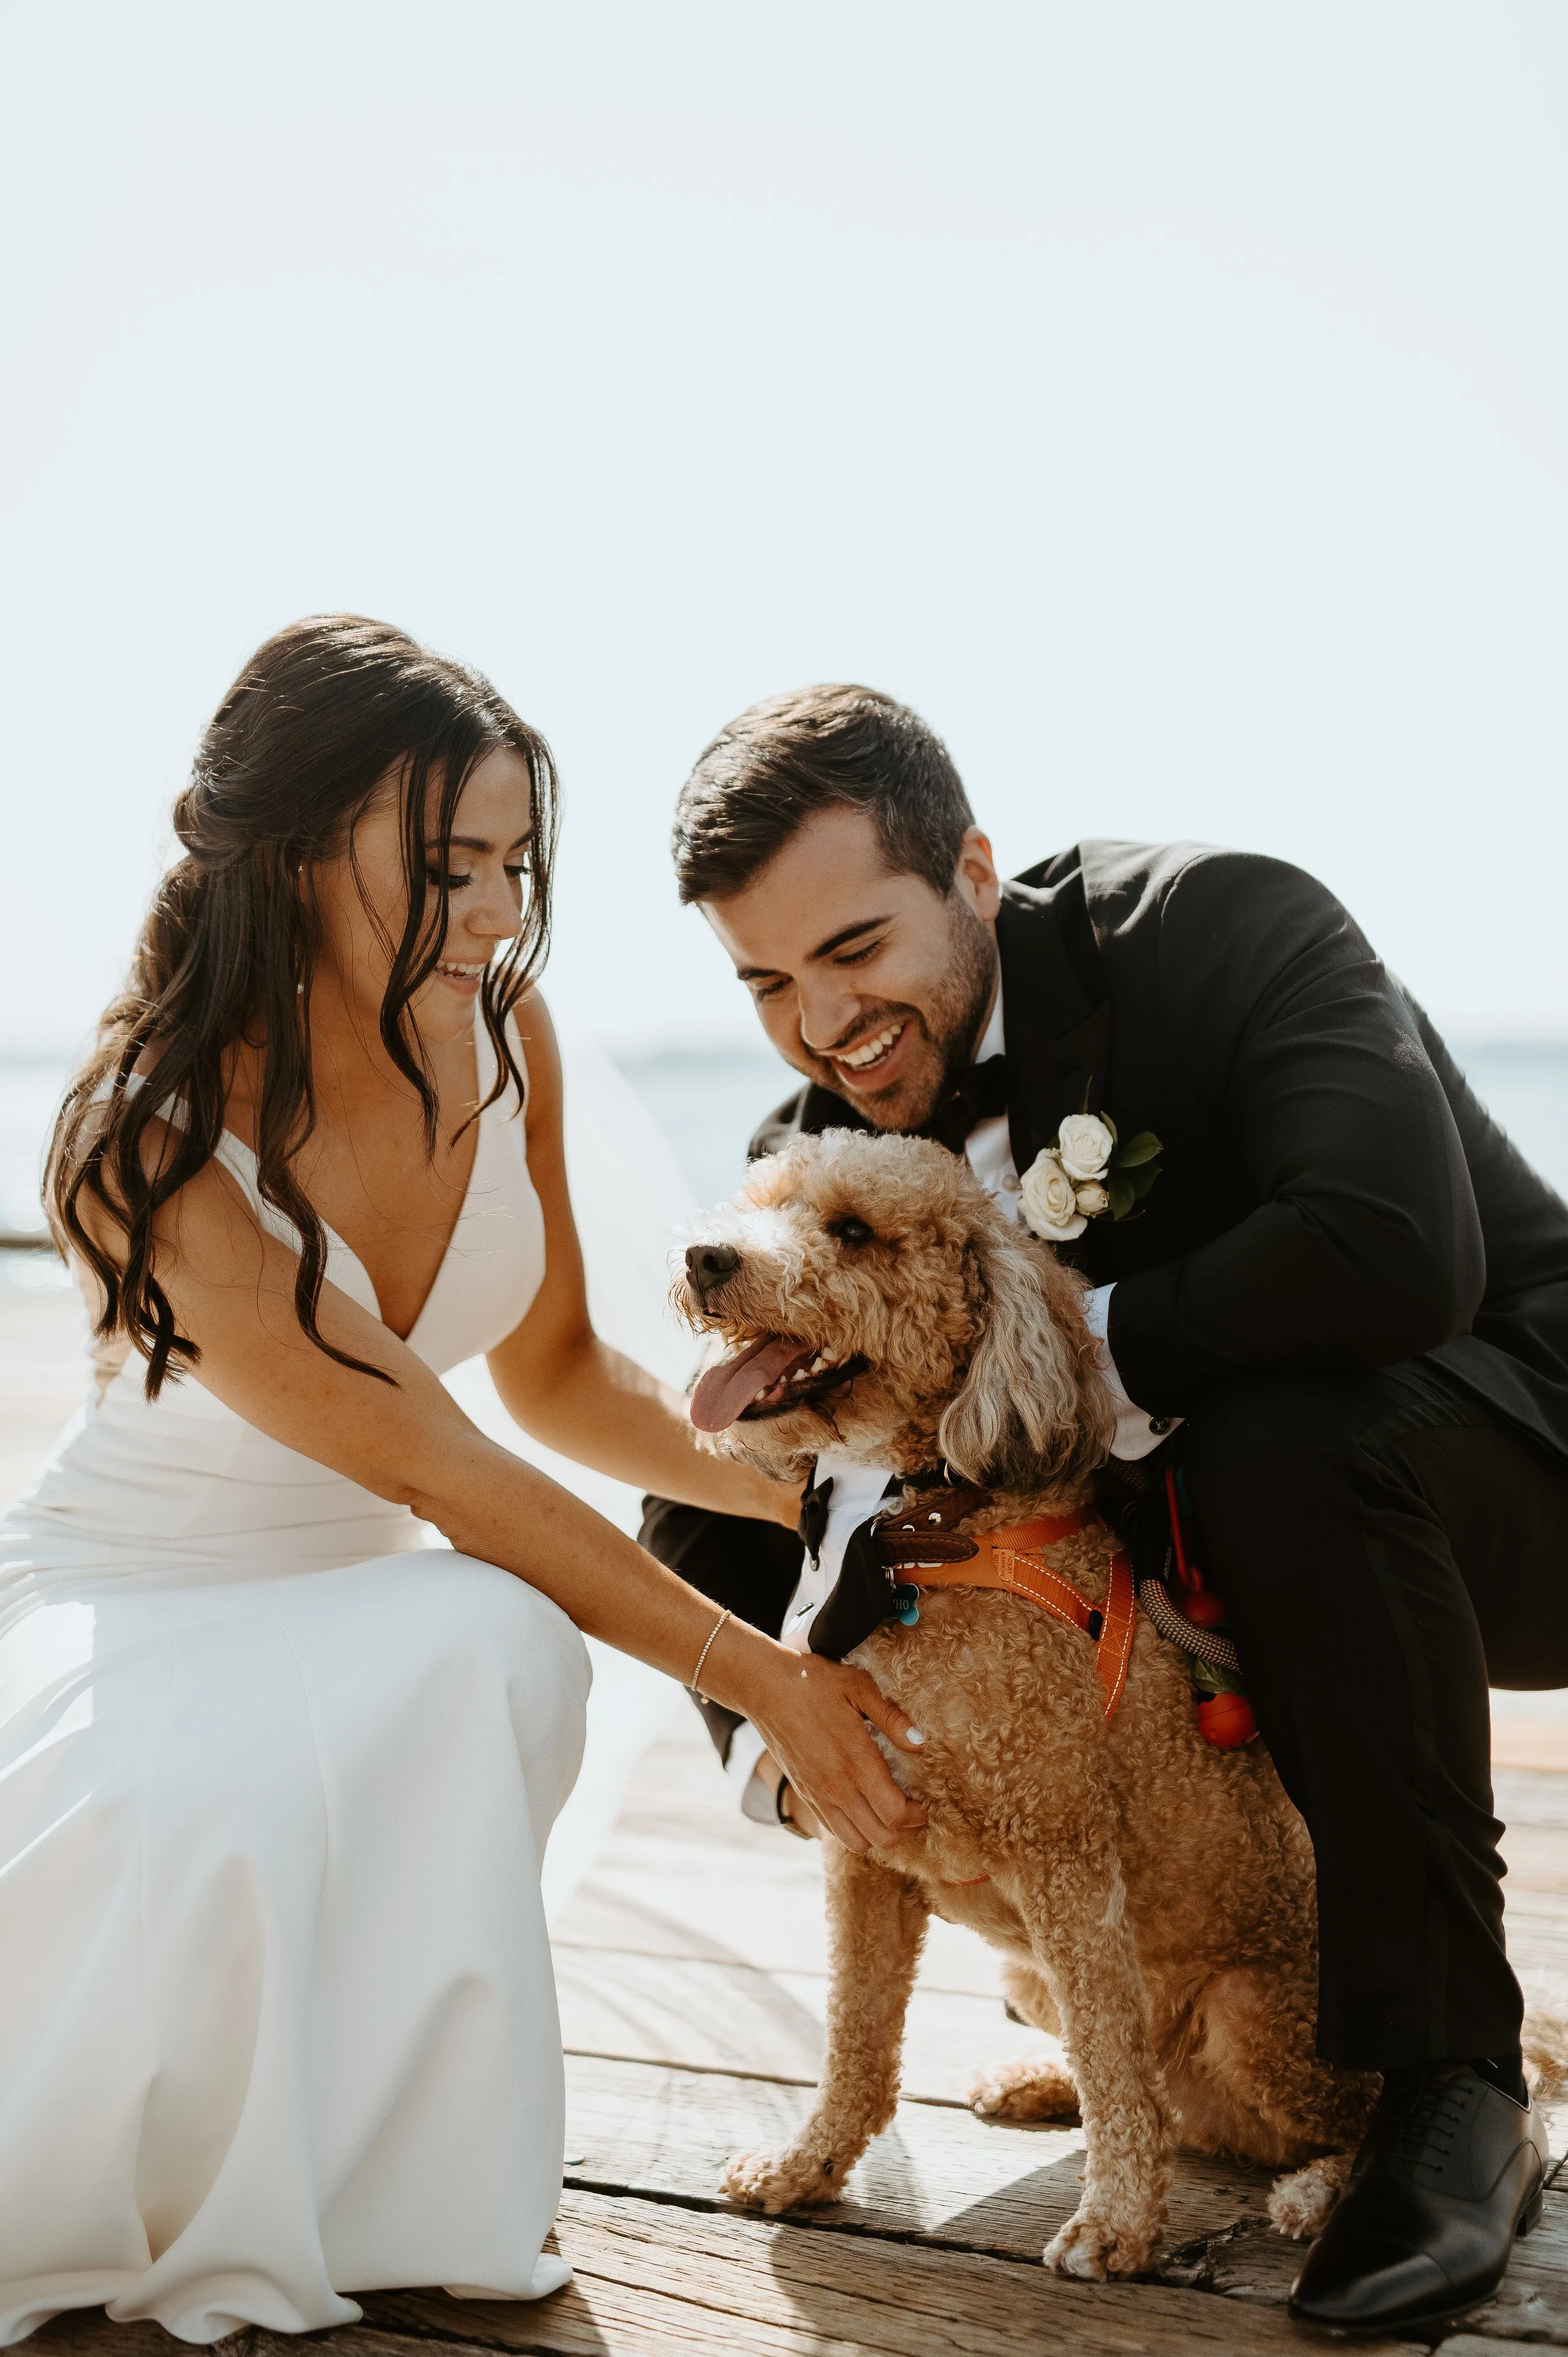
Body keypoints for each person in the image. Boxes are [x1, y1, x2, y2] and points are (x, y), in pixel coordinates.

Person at [0, 622, 926, 2346]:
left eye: (512, 864)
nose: (499, 912)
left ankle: (401, 2196)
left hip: (361, 1579)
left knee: (486, 1639)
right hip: (138, 1591)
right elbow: (444, 1459)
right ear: (288, 852)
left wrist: (823, 1502)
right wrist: (768, 1680)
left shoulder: (504, 1032)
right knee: (477, 1616)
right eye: (446, 867)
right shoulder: (152, 1125)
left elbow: (559, 1380)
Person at [640, 681, 1568, 2337]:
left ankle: (1451, 2080)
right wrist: (798, 1754)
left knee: (1280, 1435)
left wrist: (1058, 1358)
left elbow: (1394, 1243)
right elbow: (717, 1483)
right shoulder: (821, 1151)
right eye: (770, 982)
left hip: (1513, 1459)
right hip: (1228, 1581)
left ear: (974, 872)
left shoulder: (1214, 924)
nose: (824, 1022)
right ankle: (1154, 2027)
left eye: (856, 948)